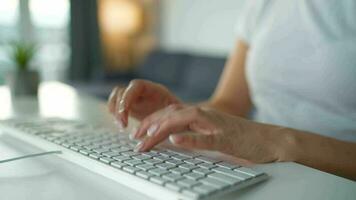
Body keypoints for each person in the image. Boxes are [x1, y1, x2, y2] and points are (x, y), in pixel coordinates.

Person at [107, 0, 356, 180]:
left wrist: (274, 141)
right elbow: (229, 103)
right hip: (258, 171)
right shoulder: (262, 6)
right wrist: (175, 112)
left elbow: (259, 136)